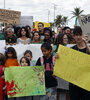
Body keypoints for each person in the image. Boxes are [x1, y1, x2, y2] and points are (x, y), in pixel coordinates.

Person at [69, 26, 90, 100]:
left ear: (83, 35)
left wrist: (86, 44)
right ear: (74, 36)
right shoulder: (71, 50)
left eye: (80, 35)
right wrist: (58, 56)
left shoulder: (88, 49)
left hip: (86, 84)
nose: (78, 37)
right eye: (76, 35)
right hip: (74, 84)